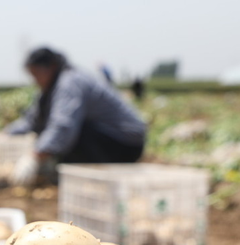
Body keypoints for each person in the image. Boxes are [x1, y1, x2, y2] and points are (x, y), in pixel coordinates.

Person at [7, 47, 146, 184]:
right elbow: (34, 120)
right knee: (53, 132)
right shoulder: (51, 88)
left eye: (36, 74)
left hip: (125, 142)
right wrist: (7, 134)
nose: (35, 80)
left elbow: (63, 126)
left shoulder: (70, 82)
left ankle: (91, 179)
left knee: (73, 132)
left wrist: (35, 156)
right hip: (108, 138)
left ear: (52, 67)